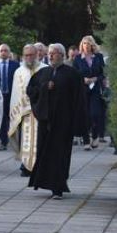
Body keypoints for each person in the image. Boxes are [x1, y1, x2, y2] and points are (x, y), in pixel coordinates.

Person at [27, 43, 86, 199]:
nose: (51, 56)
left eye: (54, 53)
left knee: (60, 154)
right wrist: (45, 87)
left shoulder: (72, 74)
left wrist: (77, 123)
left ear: (61, 54)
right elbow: (31, 91)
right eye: (50, 53)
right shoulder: (42, 73)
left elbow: (79, 100)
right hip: (46, 122)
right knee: (44, 152)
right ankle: (44, 181)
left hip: (63, 123)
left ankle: (58, 187)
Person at [8, 44, 47, 176]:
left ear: (37, 55)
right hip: (25, 111)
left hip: (41, 111)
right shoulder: (19, 72)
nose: (29, 58)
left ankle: (39, 166)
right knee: (26, 139)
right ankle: (26, 165)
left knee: (39, 140)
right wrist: (17, 110)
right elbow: (16, 92)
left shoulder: (45, 69)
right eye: (26, 55)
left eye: (31, 55)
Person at [73, 35, 106, 150]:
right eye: (84, 43)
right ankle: (86, 141)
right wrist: (83, 79)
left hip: (95, 89)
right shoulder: (77, 59)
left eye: (88, 43)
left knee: (95, 114)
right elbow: (74, 74)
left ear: (92, 45)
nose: (86, 46)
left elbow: (103, 73)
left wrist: (95, 79)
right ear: (82, 45)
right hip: (83, 90)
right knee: (84, 115)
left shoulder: (98, 57)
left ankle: (95, 135)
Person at [0, 44, 19, 150]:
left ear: (9, 52)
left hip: (12, 95)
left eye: (5, 51)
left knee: (13, 118)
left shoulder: (15, 65)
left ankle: (16, 141)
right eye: (1, 51)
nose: (3, 52)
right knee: (2, 118)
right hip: (0, 96)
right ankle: (4, 141)